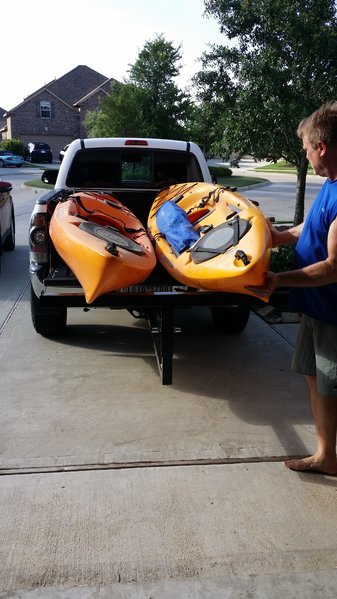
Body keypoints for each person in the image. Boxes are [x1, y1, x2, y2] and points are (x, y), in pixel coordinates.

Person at [253, 101, 337, 474]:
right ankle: (327, 455)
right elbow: (312, 226)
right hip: (315, 308)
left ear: (321, 147)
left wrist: (278, 280)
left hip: (333, 311)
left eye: (305, 148)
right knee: (315, 378)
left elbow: (335, 267)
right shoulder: (330, 184)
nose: (304, 155)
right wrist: (279, 237)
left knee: (332, 383)